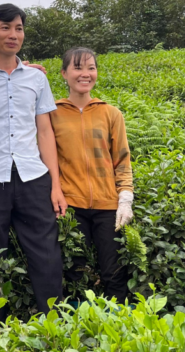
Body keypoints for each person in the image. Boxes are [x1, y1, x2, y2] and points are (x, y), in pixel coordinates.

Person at [0, 4, 67, 316]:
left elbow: (45, 132)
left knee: (46, 252)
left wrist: (55, 186)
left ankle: (53, 320)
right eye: (5, 27)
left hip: (33, 177)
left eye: (19, 28)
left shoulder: (36, 79)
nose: (13, 34)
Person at [49, 47, 133, 303]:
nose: (85, 74)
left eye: (91, 68)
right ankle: (79, 322)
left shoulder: (111, 113)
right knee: (75, 273)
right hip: (70, 206)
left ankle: (118, 320)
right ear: (64, 73)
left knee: (113, 272)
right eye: (77, 68)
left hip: (107, 205)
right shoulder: (52, 113)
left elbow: (122, 159)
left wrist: (125, 197)